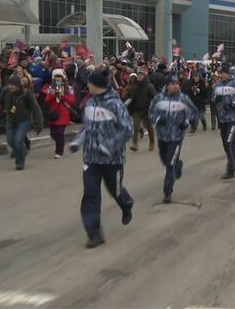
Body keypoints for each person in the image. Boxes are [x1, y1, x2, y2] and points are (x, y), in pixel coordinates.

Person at [69, 69, 134, 249]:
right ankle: (94, 234)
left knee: (116, 190)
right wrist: (77, 142)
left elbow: (127, 129)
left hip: (112, 159)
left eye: (89, 83)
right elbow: (86, 128)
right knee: (90, 194)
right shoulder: (89, 103)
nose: (87, 85)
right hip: (91, 158)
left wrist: (109, 146)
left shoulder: (116, 105)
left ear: (96, 84)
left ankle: (126, 204)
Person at [149, 76, 198, 203]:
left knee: (170, 164)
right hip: (162, 136)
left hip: (176, 136)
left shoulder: (183, 98)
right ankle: (177, 166)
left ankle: (167, 192)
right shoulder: (158, 98)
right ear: (167, 85)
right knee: (165, 161)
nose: (176, 86)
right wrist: (158, 119)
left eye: (177, 83)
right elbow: (151, 112)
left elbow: (194, 112)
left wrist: (186, 122)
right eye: (173, 83)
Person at [212, 64, 235, 179]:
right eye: (219, 73)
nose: (220, 75)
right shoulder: (217, 86)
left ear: (227, 73)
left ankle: (231, 168)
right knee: (226, 145)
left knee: (229, 142)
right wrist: (215, 99)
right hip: (222, 119)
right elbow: (213, 98)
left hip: (234, 118)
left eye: (221, 73)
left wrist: (234, 104)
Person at [3, 75, 44, 170]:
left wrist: (39, 124)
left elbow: (36, 109)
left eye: (13, 84)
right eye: (9, 84)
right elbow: (2, 101)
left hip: (24, 121)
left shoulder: (27, 94)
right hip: (11, 121)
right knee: (10, 140)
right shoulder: (8, 93)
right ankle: (23, 149)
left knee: (18, 140)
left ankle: (20, 162)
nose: (10, 86)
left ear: (18, 85)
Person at [44, 69, 75, 159]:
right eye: (56, 77)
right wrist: (54, 94)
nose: (58, 79)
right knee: (53, 134)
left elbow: (72, 101)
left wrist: (63, 95)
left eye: (60, 77)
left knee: (60, 133)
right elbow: (46, 100)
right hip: (53, 114)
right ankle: (60, 143)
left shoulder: (68, 88)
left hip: (63, 114)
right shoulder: (51, 88)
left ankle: (59, 151)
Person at [126, 69, 156, 151]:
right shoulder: (135, 87)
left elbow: (154, 97)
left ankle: (152, 142)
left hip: (147, 110)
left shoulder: (149, 86)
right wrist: (125, 104)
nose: (139, 76)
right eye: (138, 75)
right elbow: (131, 97)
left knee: (149, 127)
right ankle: (134, 144)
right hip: (136, 110)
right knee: (136, 127)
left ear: (144, 76)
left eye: (141, 75)